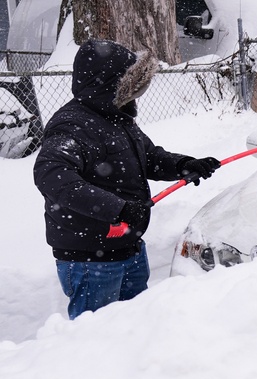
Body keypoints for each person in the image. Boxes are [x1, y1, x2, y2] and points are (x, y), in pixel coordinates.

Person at [34, 39, 221, 319]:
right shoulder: (72, 126)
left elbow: (150, 157)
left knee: (132, 329)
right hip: (91, 259)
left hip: (129, 248)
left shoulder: (117, 118)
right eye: (131, 86)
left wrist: (184, 164)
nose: (136, 94)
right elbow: (53, 177)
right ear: (107, 84)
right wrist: (117, 208)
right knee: (94, 339)